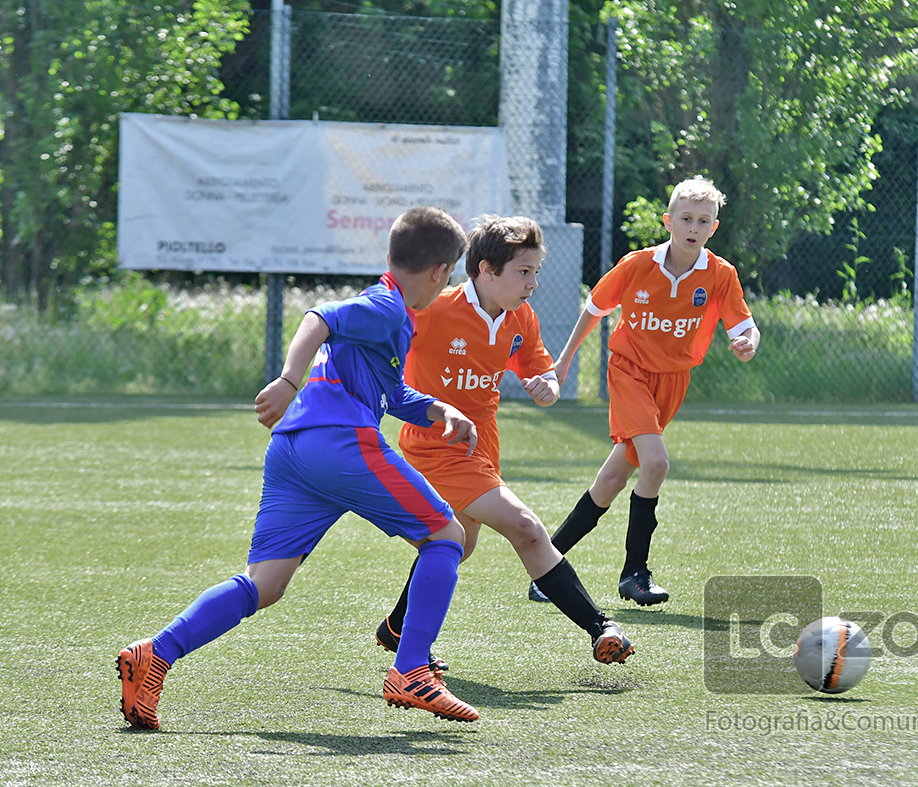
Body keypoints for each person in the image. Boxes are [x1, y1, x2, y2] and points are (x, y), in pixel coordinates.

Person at [118, 207, 481, 729]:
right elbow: (319, 318)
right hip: (340, 443)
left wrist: (439, 410)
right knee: (445, 534)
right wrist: (288, 381)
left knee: (264, 583)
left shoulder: (388, 310)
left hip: (294, 450)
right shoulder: (387, 307)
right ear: (439, 272)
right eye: (448, 277)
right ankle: (411, 669)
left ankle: (156, 653)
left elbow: (389, 391)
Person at [373, 215, 633, 667]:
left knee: (456, 544)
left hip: (482, 444)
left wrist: (547, 387)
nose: (533, 283)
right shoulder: (434, 309)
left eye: (536, 271)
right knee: (525, 527)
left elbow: (542, 374)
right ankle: (600, 626)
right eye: (523, 271)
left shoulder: (520, 318)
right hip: (435, 445)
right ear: (486, 270)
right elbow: (377, 338)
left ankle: (397, 628)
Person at [534, 176, 759, 607]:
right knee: (656, 463)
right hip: (629, 372)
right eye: (686, 218)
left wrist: (748, 343)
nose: (694, 227)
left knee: (612, 480)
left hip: (672, 382)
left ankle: (546, 569)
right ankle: (634, 573)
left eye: (704, 221)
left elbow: (744, 327)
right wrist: (561, 364)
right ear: (668, 221)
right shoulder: (637, 265)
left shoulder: (720, 274)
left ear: (714, 228)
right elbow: (594, 310)